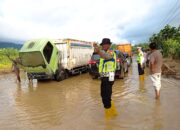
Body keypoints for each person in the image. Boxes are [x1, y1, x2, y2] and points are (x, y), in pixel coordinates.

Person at [94, 38, 118, 119]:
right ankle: (114, 113)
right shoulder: (103, 54)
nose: (103, 46)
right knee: (105, 96)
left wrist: (99, 51)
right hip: (104, 77)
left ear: (109, 45)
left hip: (109, 77)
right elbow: (102, 64)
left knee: (106, 98)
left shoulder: (110, 53)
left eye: (104, 44)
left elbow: (106, 56)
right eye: (102, 45)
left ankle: (108, 120)